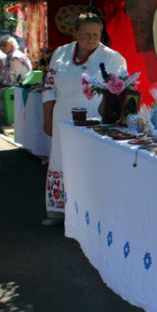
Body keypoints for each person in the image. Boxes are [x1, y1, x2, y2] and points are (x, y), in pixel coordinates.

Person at [41, 13, 128, 225]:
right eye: (86, 34)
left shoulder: (112, 58)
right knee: (61, 159)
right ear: (75, 33)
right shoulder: (61, 53)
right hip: (62, 117)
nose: (91, 39)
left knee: (88, 164)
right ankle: (58, 211)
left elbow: (120, 93)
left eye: (96, 34)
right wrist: (47, 118)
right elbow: (49, 87)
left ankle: (88, 216)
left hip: (94, 119)